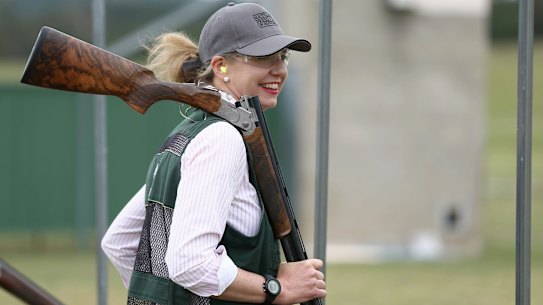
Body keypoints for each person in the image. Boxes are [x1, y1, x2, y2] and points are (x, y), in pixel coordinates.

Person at [101, 2, 326, 305]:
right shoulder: (222, 138)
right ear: (221, 66)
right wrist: (276, 288)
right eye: (263, 58)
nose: (280, 70)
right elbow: (191, 262)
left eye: (282, 57)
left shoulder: (192, 131)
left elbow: (120, 243)